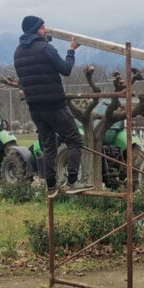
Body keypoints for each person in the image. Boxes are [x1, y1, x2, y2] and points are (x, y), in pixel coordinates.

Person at [13, 15, 92, 197]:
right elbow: (65, 69)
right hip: (54, 105)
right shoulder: (46, 49)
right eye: (42, 27)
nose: (45, 29)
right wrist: (71, 50)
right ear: (35, 30)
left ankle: (50, 187)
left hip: (35, 108)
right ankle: (72, 182)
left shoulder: (18, 52)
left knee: (49, 146)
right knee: (74, 140)